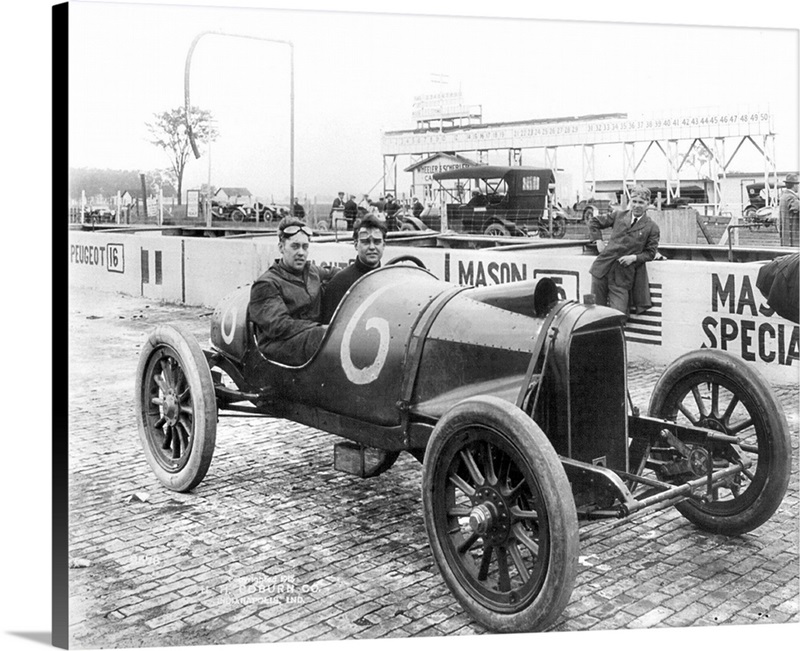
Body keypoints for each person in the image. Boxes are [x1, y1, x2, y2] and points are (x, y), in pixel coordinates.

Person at [248, 217, 337, 365]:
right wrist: (321, 329)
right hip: (278, 347)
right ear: (281, 248)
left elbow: (340, 275)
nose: (301, 252)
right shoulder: (267, 283)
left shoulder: (313, 272)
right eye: (295, 246)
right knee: (324, 336)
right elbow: (279, 325)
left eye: (305, 247)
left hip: (311, 340)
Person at [588, 184, 660, 318]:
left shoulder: (652, 227)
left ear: (647, 204)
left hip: (622, 276)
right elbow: (594, 222)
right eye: (634, 201)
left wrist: (634, 258)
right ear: (630, 202)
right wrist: (598, 240)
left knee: (619, 315)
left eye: (641, 202)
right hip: (601, 270)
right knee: (595, 314)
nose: (637, 205)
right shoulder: (619, 216)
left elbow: (650, 253)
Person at [320, 214, 387, 324]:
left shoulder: (390, 281)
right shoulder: (339, 283)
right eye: (365, 242)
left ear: (384, 245)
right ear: (356, 245)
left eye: (377, 242)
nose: (372, 247)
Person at [779, 173, 799, 247]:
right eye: (798, 184)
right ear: (794, 185)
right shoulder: (792, 198)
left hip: (786, 239)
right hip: (794, 240)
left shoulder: (783, 197)